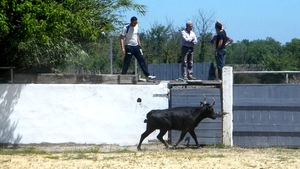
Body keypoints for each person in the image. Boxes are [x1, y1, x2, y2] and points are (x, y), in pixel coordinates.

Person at [119, 16, 156, 81]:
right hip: (129, 46)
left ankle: (147, 75)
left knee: (142, 60)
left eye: (136, 23)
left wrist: (139, 45)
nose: (135, 24)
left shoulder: (136, 26)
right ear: (131, 22)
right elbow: (122, 38)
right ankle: (123, 75)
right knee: (127, 62)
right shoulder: (126, 28)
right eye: (134, 23)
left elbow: (137, 35)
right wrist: (123, 48)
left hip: (136, 46)